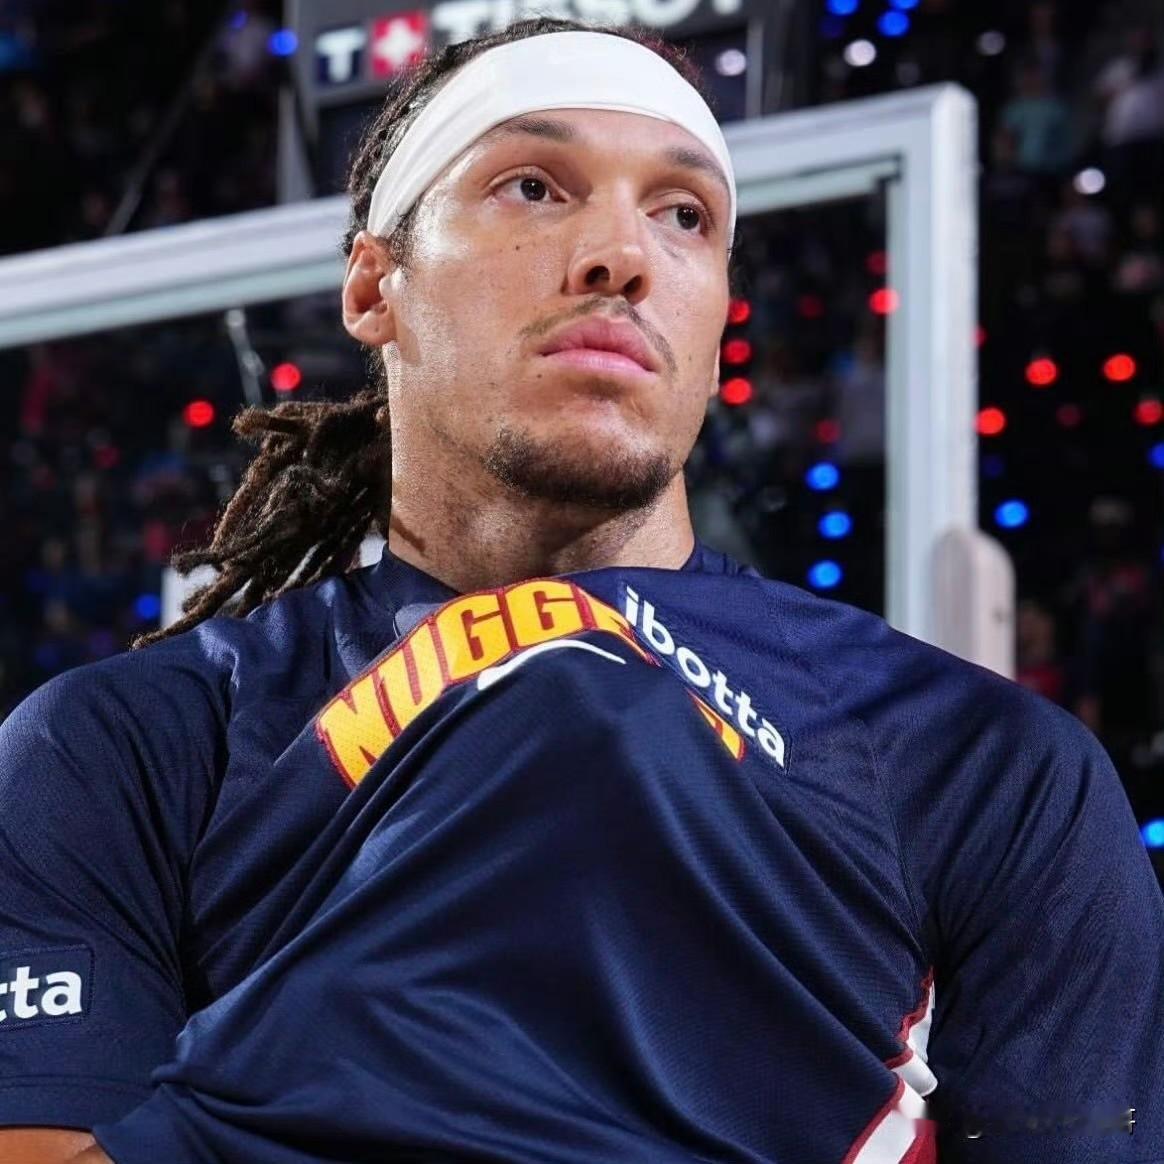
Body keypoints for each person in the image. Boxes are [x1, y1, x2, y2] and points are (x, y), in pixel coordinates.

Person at [1, 17, 1161, 1164]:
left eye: (684, 214)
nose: (623, 255)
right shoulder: (119, 748)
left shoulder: (991, 767)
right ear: (374, 286)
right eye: (534, 188)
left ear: (720, 316)